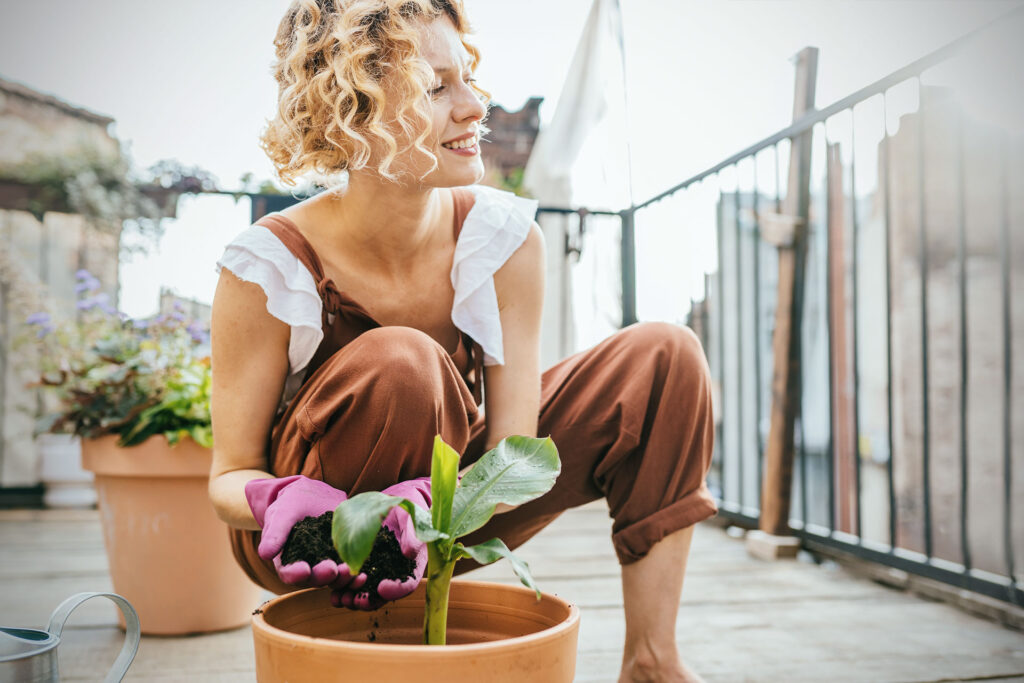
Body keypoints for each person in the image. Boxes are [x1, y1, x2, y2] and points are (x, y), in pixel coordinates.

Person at [208, 1, 717, 680]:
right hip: (308, 531)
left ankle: (653, 663)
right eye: (436, 88)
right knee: (405, 360)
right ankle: (370, 642)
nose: (474, 107)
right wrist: (283, 499)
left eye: (468, 79)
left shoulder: (504, 241)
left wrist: (430, 503)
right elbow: (226, 476)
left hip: (447, 507)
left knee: (665, 355)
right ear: (353, 112)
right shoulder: (268, 266)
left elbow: (513, 454)